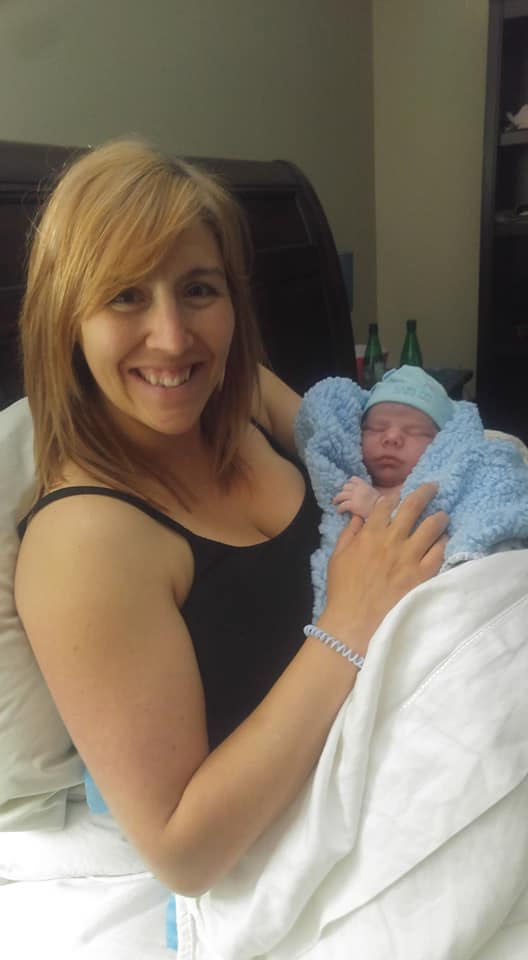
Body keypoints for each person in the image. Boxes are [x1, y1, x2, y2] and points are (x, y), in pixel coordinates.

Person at [13, 138, 448, 903]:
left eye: (199, 290)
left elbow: (350, 456)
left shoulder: (232, 391)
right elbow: (184, 852)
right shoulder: (84, 544)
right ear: (64, 317)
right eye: (124, 296)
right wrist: (350, 619)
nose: (174, 338)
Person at [333, 366, 453, 520]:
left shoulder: (437, 491)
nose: (391, 437)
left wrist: (376, 508)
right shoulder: (345, 480)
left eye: (414, 431)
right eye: (376, 428)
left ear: (441, 444)